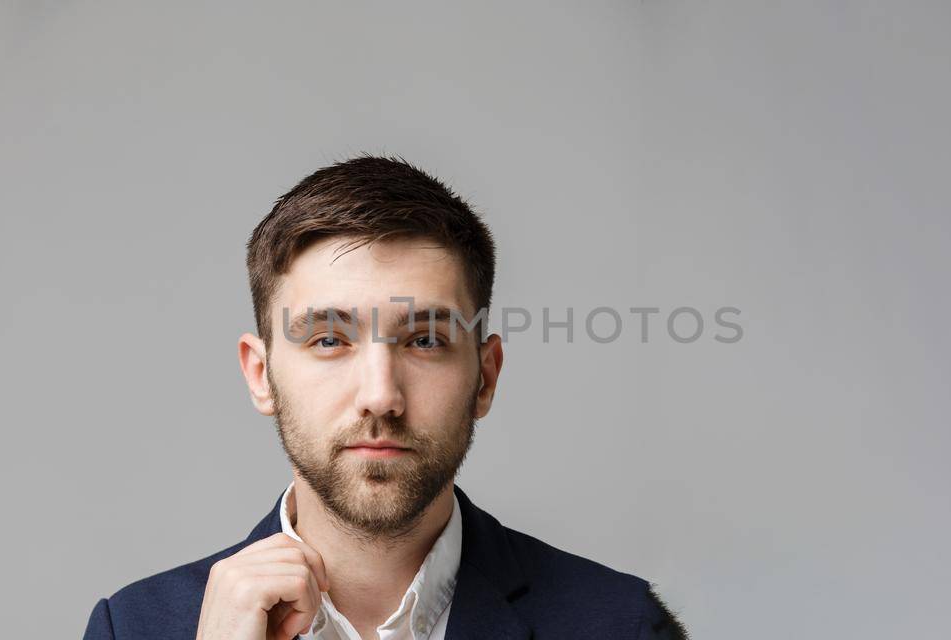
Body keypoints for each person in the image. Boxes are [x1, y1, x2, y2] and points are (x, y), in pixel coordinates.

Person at [82, 155, 688, 639]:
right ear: (261, 375)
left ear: (486, 375)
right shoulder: (132, 628)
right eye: (327, 339)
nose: (380, 397)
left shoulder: (622, 624)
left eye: (425, 340)